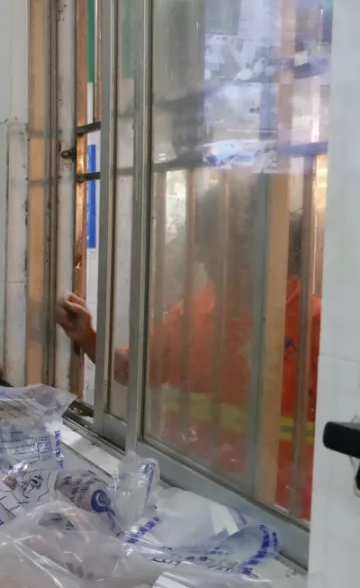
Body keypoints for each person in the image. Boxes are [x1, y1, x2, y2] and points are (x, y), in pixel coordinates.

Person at [57, 183, 320, 519]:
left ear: (248, 247)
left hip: (282, 523)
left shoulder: (316, 326)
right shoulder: (196, 312)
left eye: (207, 240)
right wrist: (87, 337)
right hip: (187, 501)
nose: (198, 255)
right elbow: (133, 371)